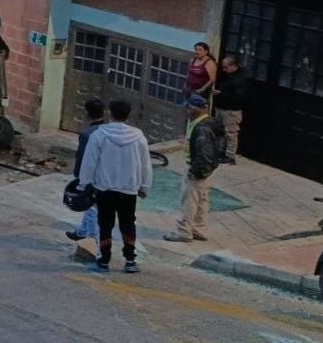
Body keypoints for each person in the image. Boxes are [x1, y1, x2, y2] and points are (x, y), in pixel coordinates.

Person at [79, 99, 153, 274]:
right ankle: (130, 260)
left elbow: (89, 162)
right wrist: (144, 186)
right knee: (128, 224)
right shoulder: (138, 137)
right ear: (128, 115)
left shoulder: (100, 135)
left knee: (105, 224)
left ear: (109, 114)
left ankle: (104, 260)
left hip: (105, 188)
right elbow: (146, 164)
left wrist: (84, 184)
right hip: (129, 189)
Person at [164, 94, 225, 242]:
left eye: (190, 107)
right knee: (201, 200)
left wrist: (195, 171)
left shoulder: (202, 128)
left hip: (197, 169)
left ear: (198, 109)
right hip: (206, 170)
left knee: (189, 201)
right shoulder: (208, 123)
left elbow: (204, 153)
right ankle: (199, 228)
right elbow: (221, 146)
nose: (187, 109)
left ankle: (184, 231)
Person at [66, 98, 108, 242]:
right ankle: (82, 232)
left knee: (91, 207)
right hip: (109, 175)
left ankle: (92, 240)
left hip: (93, 175)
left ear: (87, 115)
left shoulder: (87, 135)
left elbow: (82, 157)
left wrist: (78, 176)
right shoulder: (110, 131)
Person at [212, 54, 247, 164]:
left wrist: (221, 94)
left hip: (231, 110)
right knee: (220, 131)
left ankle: (230, 155)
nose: (224, 69)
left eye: (226, 67)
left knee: (231, 133)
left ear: (233, 66)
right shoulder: (228, 76)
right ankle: (222, 151)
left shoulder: (240, 79)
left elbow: (239, 97)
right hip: (222, 108)